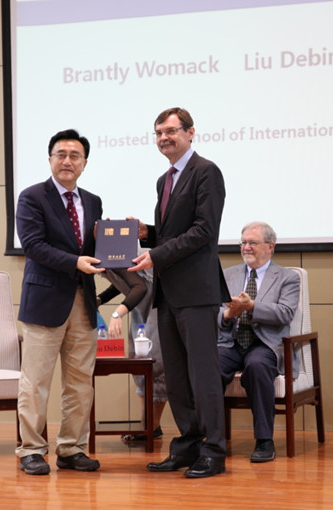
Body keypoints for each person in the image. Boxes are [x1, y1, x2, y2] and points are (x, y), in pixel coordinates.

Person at [130, 107, 230, 478]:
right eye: (158, 133)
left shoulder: (206, 172)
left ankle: (214, 451)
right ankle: (188, 446)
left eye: (171, 131)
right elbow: (175, 234)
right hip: (168, 293)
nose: (164, 138)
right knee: (175, 378)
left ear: (190, 133)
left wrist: (155, 254)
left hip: (197, 293)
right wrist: (149, 234)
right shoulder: (165, 180)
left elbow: (204, 231)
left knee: (203, 376)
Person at [14, 129, 104, 476]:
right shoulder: (32, 197)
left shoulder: (93, 201)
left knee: (80, 382)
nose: (68, 161)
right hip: (45, 302)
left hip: (83, 301)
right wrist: (75, 262)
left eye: (75, 155)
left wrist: (120, 246)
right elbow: (33, 246)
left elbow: (96, 248)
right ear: (50, 159)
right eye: (61, 154)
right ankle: (31, 450)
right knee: (35, 382)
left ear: (85, 163)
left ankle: (71, 448)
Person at [218, 221, 300, 463]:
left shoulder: (287, 277)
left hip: (265, 344)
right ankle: (211, 437)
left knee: (257, 366)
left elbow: (285, 313)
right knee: (209, 365)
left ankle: (264, 440)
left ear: (270, 246)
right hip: (231, 342)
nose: (246, 248)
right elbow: (214, 311)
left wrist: (252, 306)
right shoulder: (228, 274)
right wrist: (227, 314)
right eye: (243, 243)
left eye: (252, 243)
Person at [97, 266, 168, 441]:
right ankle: (145, 423)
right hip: (138, 307)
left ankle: (153, 425)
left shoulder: (116, 255)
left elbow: (139, 287)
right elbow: (123, 282)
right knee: (138, 364)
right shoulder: (108, 260)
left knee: (156, 363)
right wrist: (101, 299)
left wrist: (117, 314)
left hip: (157, 306)